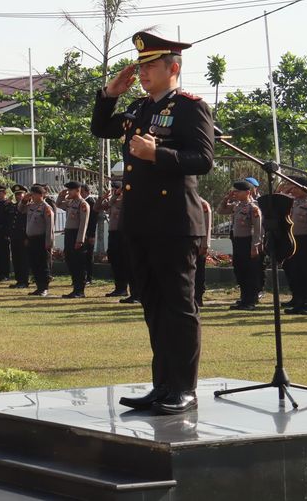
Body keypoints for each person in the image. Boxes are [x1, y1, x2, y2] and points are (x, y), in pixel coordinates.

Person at [91, 31, 214, 415]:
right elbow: (100, 128)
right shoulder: (140, 108)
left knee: (179, 308)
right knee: (153, 306)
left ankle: (184, 389)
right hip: (140, 224)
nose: (143, 72)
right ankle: (162, 386)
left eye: (151, 66)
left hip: (175, 224)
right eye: (141, 66)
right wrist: (110, 94)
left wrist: (157, 153)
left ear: (172, 67)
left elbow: (202, 159)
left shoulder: (191, 107)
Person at [218, 181, 264, 310]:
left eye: (238, 191)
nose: (235, 193)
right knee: (240, 270)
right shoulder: (236, 206)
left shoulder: (253, 208)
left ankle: (250, 301)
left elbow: (257, 229)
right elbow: (220, 210)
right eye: (234, 191)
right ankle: (244, 298)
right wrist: (226, 198)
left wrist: (255, 245)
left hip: (248, 242)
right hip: (237, 242)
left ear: (248, 192)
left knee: (250, 272)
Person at [58, 181, 90, 298]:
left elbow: (83, 223)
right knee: (70, 261)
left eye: (70, 190)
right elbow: (58, 204)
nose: (68, 192)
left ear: (77, 190)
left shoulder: (83, 204)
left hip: (77, 235)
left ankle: (80, 291)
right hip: (69, 234)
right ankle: (75, 289)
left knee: (78, 264)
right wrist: (61, 195)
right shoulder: (71, 203)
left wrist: (80, 240)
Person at [100, 182, 130, 299]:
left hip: (121, 234)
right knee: (114, 260)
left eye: (116, 189)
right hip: (112, 233)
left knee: (123, 261)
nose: (113, 191)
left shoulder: (124, 201)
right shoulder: (113, 201)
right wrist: (106, 198)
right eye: (112, 189)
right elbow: (98, 208)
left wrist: (116, 196)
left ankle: (123, 288)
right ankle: (119, 288)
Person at [284, 178, 307, 315]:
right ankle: (300, 302)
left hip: (306, 241)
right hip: (293, 241)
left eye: (295, 187)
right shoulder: (292, 203)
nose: (292, 190)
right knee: (296, 272)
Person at [23, 185, 54, 297]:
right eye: (32, 194)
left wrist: (48, 242)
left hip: (41, 239)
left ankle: (44, 288)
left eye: (34, 194)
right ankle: (38, 287)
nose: (32, 196)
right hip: (32, 239)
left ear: (41, 195)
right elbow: (20, 209)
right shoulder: (31, 206)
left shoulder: (46, 208)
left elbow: (49, 227)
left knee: (43, 264)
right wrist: (24, 200)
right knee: (34, 264)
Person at [9, 184, 31, 289]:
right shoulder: (13, 206)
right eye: (16, 195)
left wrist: (27, 237)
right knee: (16, 259)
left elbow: (28, 223)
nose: (18, 196)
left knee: (23, 260)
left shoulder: (28, 207)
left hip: (23, 237)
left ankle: (24, 281)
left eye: (20, 194)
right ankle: (19, 280)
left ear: (25, 195)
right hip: (14, 237)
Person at [195, 195, 212, 307]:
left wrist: (205, 245)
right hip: (186, 244)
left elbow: (207, 226)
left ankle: (198, 297)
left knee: (198, 272)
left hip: (199, 244)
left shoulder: (202, 204)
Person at [80, 183, 99, 284]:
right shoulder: (82, 202)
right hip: (83, 232)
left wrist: (91, 234)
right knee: (82, 256)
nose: (81, 194)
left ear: (87, 192)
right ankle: (83, 276)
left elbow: (92, 220)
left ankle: (89, 277)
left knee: (88, 255)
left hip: (88, 233)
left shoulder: (90, 202)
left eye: (82, 192)